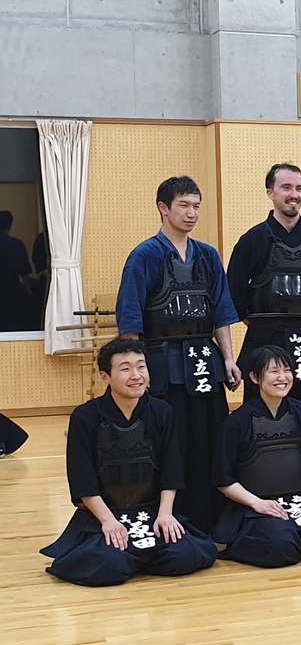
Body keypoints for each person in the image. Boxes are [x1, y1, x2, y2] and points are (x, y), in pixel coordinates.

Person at [115, 176, 241, 533]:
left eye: (197, 206)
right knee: (171, 443)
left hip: (205, 361)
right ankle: (170, 517)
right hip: (162, 362)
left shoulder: (208, 255)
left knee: (211, 440)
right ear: (163, 208)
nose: (192, 213)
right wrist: (135, 369)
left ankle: (215, 518)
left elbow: (221, 311)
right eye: (184, 205)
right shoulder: (144, 256)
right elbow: (130, 321)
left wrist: (229, 358)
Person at [40, 339, 217, 586]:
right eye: (125, 368)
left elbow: (171, 469)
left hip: (152, 511)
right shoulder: (85, 417)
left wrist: (165, 514)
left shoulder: (162, 411)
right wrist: (108, 521)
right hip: (105, 513)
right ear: (105, 376)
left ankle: (135, 557)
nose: (136, 375)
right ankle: (131, 557)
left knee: (185, 557)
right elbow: (83, 480)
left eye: (141, 367)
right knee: (107, 565)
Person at [225, 163, 301, 513]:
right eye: (285, 188)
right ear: (270, 193)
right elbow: (235, 296)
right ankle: (262, 498)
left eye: (298, 188)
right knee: (265, 421)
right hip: (268, 341)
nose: (293, 195)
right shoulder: (251, 240)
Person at [212, 346, 301, 567]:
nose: (282, 378)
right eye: (274, 372)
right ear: (255, 377)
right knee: (280, 549)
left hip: (300, 502)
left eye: (287, 371)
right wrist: (258, 504)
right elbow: (223, 479)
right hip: (256, 507)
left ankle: (294, 537)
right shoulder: (237, 421)